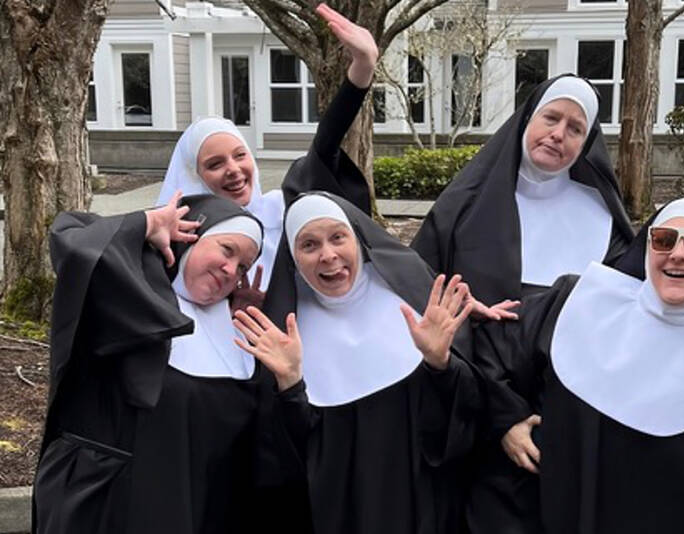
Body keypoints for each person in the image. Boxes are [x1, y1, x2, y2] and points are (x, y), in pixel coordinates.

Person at [474, 197, 684, 533]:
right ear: (647, 247)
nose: (678, 253)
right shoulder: (578, 299)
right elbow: (490, 347)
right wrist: (506, 420)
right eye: (664, 239)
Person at [32, 193, 292, 533]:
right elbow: (73, 241)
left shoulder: (239, 342)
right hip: (106, 508)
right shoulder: (128, 298)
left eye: (243, 266)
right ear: (188, 239)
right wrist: (147, 222)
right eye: (226, 250)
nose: (231, 270)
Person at [233, 192, 483, 534]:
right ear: (293, 257)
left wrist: (440, 363)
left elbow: (462, 421)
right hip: (340, 515)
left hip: (422, 506)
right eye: (309, 245)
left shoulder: (415, 310)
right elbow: (286, 462)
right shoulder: (286, 339)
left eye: (338, 237)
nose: (328, 255)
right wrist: (290, 385)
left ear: (358, 240)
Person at [156, 3, 375, 301]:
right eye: (215, 164)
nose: (233, 169)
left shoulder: (280, 211)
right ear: (195, 176)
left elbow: (324, 148)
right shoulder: (178, 236)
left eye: (240, 155)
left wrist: (362, 70)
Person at [411, 75, 634, 310]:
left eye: (575, 129)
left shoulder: (603, 220)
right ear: (527, 119)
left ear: (585, 145)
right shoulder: (464, 205)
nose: (558, 134)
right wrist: (461, 309)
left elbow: (621, 306)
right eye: (551, 118)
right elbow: (416, 284)